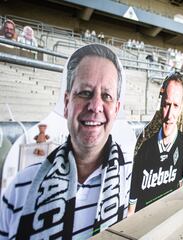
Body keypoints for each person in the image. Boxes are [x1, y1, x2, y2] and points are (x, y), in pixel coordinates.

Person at [0, 44, 132, 239]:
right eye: (85, 92)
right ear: (66, 103)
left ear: (116, 109)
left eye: (106, 96)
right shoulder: (20, 188)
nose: (95, 106)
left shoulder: (133, 182)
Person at [128, 72, 183, 214]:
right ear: (161, 103)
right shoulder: (144, 148)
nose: (169, 115)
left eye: (175, 106)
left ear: (181, 107)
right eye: (167, 105)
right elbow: (131, 209)